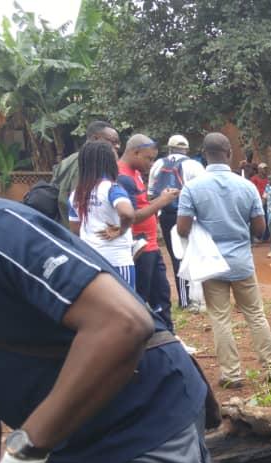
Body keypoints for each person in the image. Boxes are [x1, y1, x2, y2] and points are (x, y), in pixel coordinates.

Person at [0, 197, 209, 463]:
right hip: (49, 453)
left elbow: (123, 323)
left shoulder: (1, 231)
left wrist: (25, 450)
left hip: (144, 430)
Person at [177, 133, 271, 389]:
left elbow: (182, 228)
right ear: (229, 153)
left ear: (204, 153)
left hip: (211, 264)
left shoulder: (192, 188)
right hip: (241, 263)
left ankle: (231, 374)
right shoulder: (247, 186)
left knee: (220, 318)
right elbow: (260, 230)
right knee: (255, 314)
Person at [118, 134, 179, 330]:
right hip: (139, 247)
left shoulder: (135, 173)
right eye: (148, 158)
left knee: (161, 295)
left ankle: (168, 337)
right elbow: (132, 215)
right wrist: (162, 202)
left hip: (151, 244)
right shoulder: (122, 177)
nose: (151, 163)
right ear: (135, 152)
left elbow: (143, 205)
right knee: (141, 298)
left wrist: (160, 199)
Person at [66, 141, 136, 287]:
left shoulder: (76, 194)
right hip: (117, 261)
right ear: (109, 162)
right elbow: (128, 213)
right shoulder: (112, 188)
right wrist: (121, 230)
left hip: (90, 262)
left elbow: (75, 229)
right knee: (124, 306)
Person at [150, 134, 205, 311]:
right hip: (190, 216)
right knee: (195, 253)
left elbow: (151, 193)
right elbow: (203, 193)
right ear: (186, 149)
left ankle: (183, 300)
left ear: (169, 148)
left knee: (176, 256)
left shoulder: (158, 165)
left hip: (166, 215)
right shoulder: (194, 165)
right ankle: (197, 298)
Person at [50, 120, 120, 225]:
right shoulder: (88, 162)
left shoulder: (69, 159)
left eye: (118, 142)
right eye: (113, 141)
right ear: (96, 138)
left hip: (62, 224)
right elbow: (81, 201)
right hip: (75, 229)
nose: (117, 146)